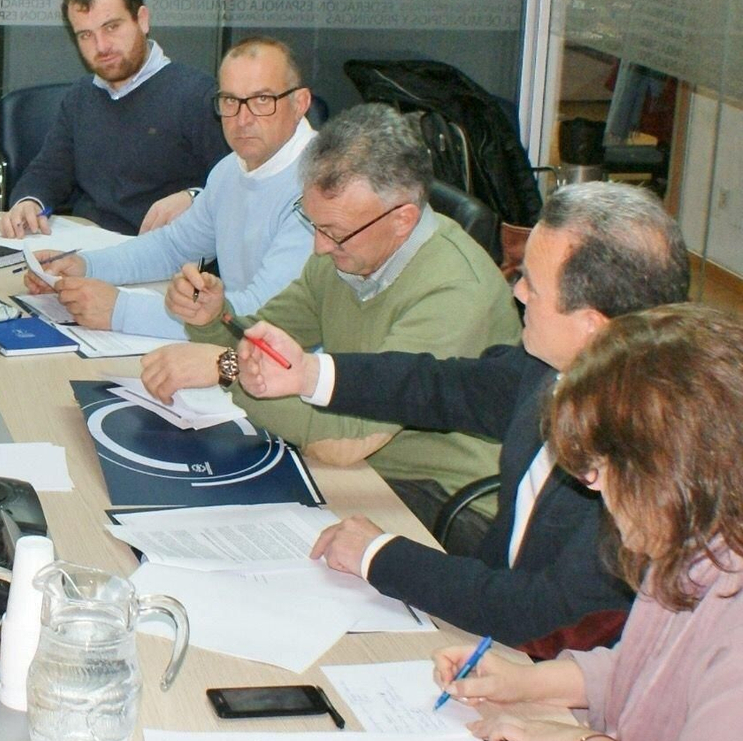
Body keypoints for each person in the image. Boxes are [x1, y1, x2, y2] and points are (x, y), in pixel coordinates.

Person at [238, 182, 689, 654]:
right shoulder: (551, 366)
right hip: (488, 631)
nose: (515, 291)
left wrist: (377, 555)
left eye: (531, 284)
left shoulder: (648, 456)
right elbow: (443, 387)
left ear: (592, 326)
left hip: (556, 673)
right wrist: (309, 372)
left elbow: (542, 612)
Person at [438, 304, 743, 741]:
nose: (595, 489)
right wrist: (532, 682)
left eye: (602, 468)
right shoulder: (696, 543)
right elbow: (657, 674)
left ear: (673, 468)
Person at [140, 104, 520, 529]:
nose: (320, 247)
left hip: (440, 496)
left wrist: (225, 369)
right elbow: (259, 344)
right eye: (313, 223)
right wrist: (212, 317)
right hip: (355, 473)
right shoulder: (347, 253)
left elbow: (343, 441)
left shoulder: (453, 291)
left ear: (402, 220)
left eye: (334, 233)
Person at [24, 36, 314, 338]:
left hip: (291, 367)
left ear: (299, 103)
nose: (242, 119)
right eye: (230, 100)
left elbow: (264, 313)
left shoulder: (320, 186)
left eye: (262, 100)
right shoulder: (230, 170)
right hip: (242, 355)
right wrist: (85, 266)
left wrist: (120, 310)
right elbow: (173, 248)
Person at [0, 0, 227, 238]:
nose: (101, 46)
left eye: (111, 27)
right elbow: (50, 170)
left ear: (142, 20)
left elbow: (239, 182)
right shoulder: (80, 97)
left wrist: (194, 198)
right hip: (86, 249)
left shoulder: (197, 95)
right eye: (85, 35)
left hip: (163, 256)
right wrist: (29, 201)